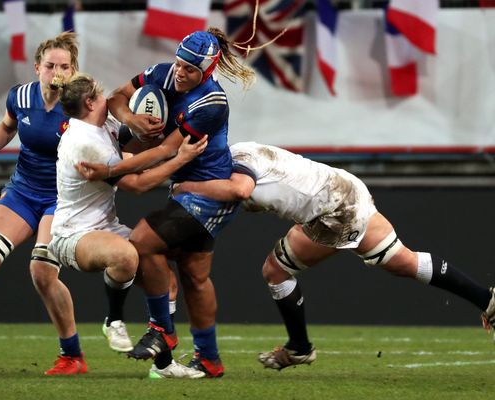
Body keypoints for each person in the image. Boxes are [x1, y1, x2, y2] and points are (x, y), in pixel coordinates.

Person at [173, 141, 495, 370]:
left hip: (334, 210)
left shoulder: (233, 172)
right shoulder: (235, 152)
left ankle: (300, 348)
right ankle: (487, 300)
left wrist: (184, 187)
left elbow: (239, 191)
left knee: (276, 271)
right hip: (342, 187)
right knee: (403, 261)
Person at [0, 32, 120, 375]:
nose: (56, 72)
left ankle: (72, 355)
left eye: (65, 66)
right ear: (37, 67)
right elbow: (7, 125)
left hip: (61, 197)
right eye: (50, 65)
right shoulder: (22, 96)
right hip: (23, 190)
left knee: (42, 271)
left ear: (74, 70)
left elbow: (112, 138)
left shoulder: (80, 107)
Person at [78, 28, 255, 378]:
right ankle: (209, 359)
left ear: (207, 70)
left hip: (208, 191)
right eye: (178, 63)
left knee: (142, 241)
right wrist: (133, 120)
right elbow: (117, 97)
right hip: (186, 189)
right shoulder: (164, 73)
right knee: (194, 276)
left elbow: (162, 152)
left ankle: (163, 330)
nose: (180, 72)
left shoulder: (211, 103)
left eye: (190, 69)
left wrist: (110, 169)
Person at [49, 72, 208, 379]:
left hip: (104, 226)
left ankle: (163, 366)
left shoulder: (100, 125)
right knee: (125, 256)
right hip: (73, 235)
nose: (107, 99)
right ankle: (114, 319)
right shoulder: (84, 141)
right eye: (101, 94)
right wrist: (179, 157)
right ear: (90, 101)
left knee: (165, 280)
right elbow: (136, 184)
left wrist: (147, 124)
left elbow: (135, 146)